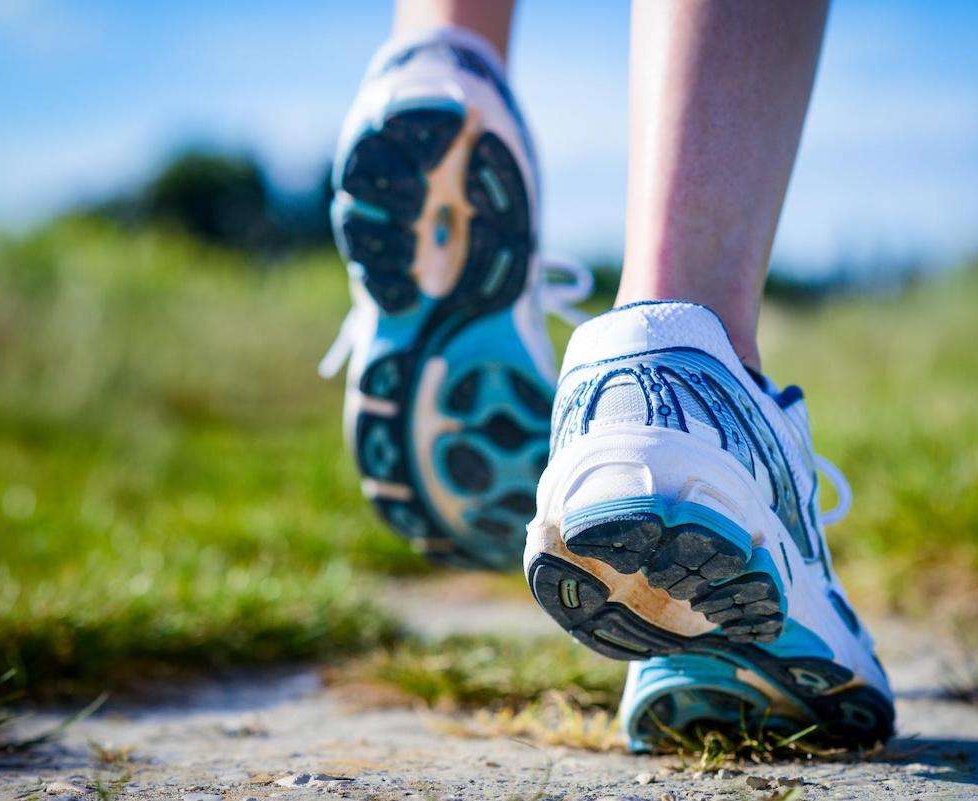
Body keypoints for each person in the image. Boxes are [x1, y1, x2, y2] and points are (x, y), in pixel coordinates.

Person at [321, 0, 894, 750]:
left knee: (448, 38)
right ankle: (684, 369)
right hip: (681, 394)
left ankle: (440, 48)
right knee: (680, 339)